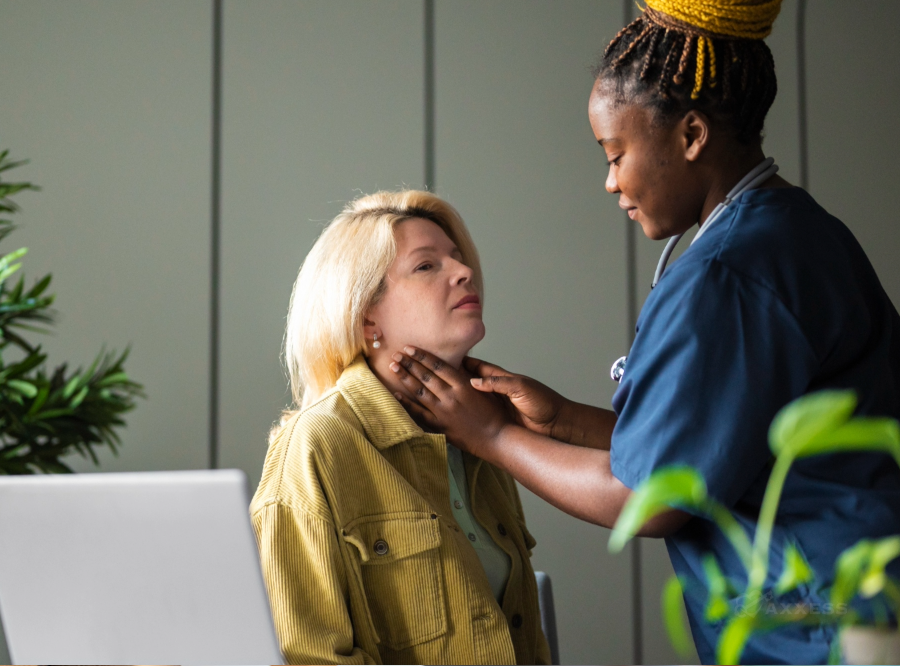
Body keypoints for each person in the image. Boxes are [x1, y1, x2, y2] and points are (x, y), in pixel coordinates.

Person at [386, 1, 900, 664]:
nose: (609, 182)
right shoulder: (797, 231)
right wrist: (563, 419)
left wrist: (491, 436)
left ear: (689, 136)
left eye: (616, 153)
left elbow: (653, 502)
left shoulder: (728, 275)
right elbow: (724, 450)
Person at [250, 190, 550, 665]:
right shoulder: (316, 445)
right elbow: (305, 658)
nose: (464, 271)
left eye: (456, 257)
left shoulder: (481, 440)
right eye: (426, 266)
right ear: (367, 314)